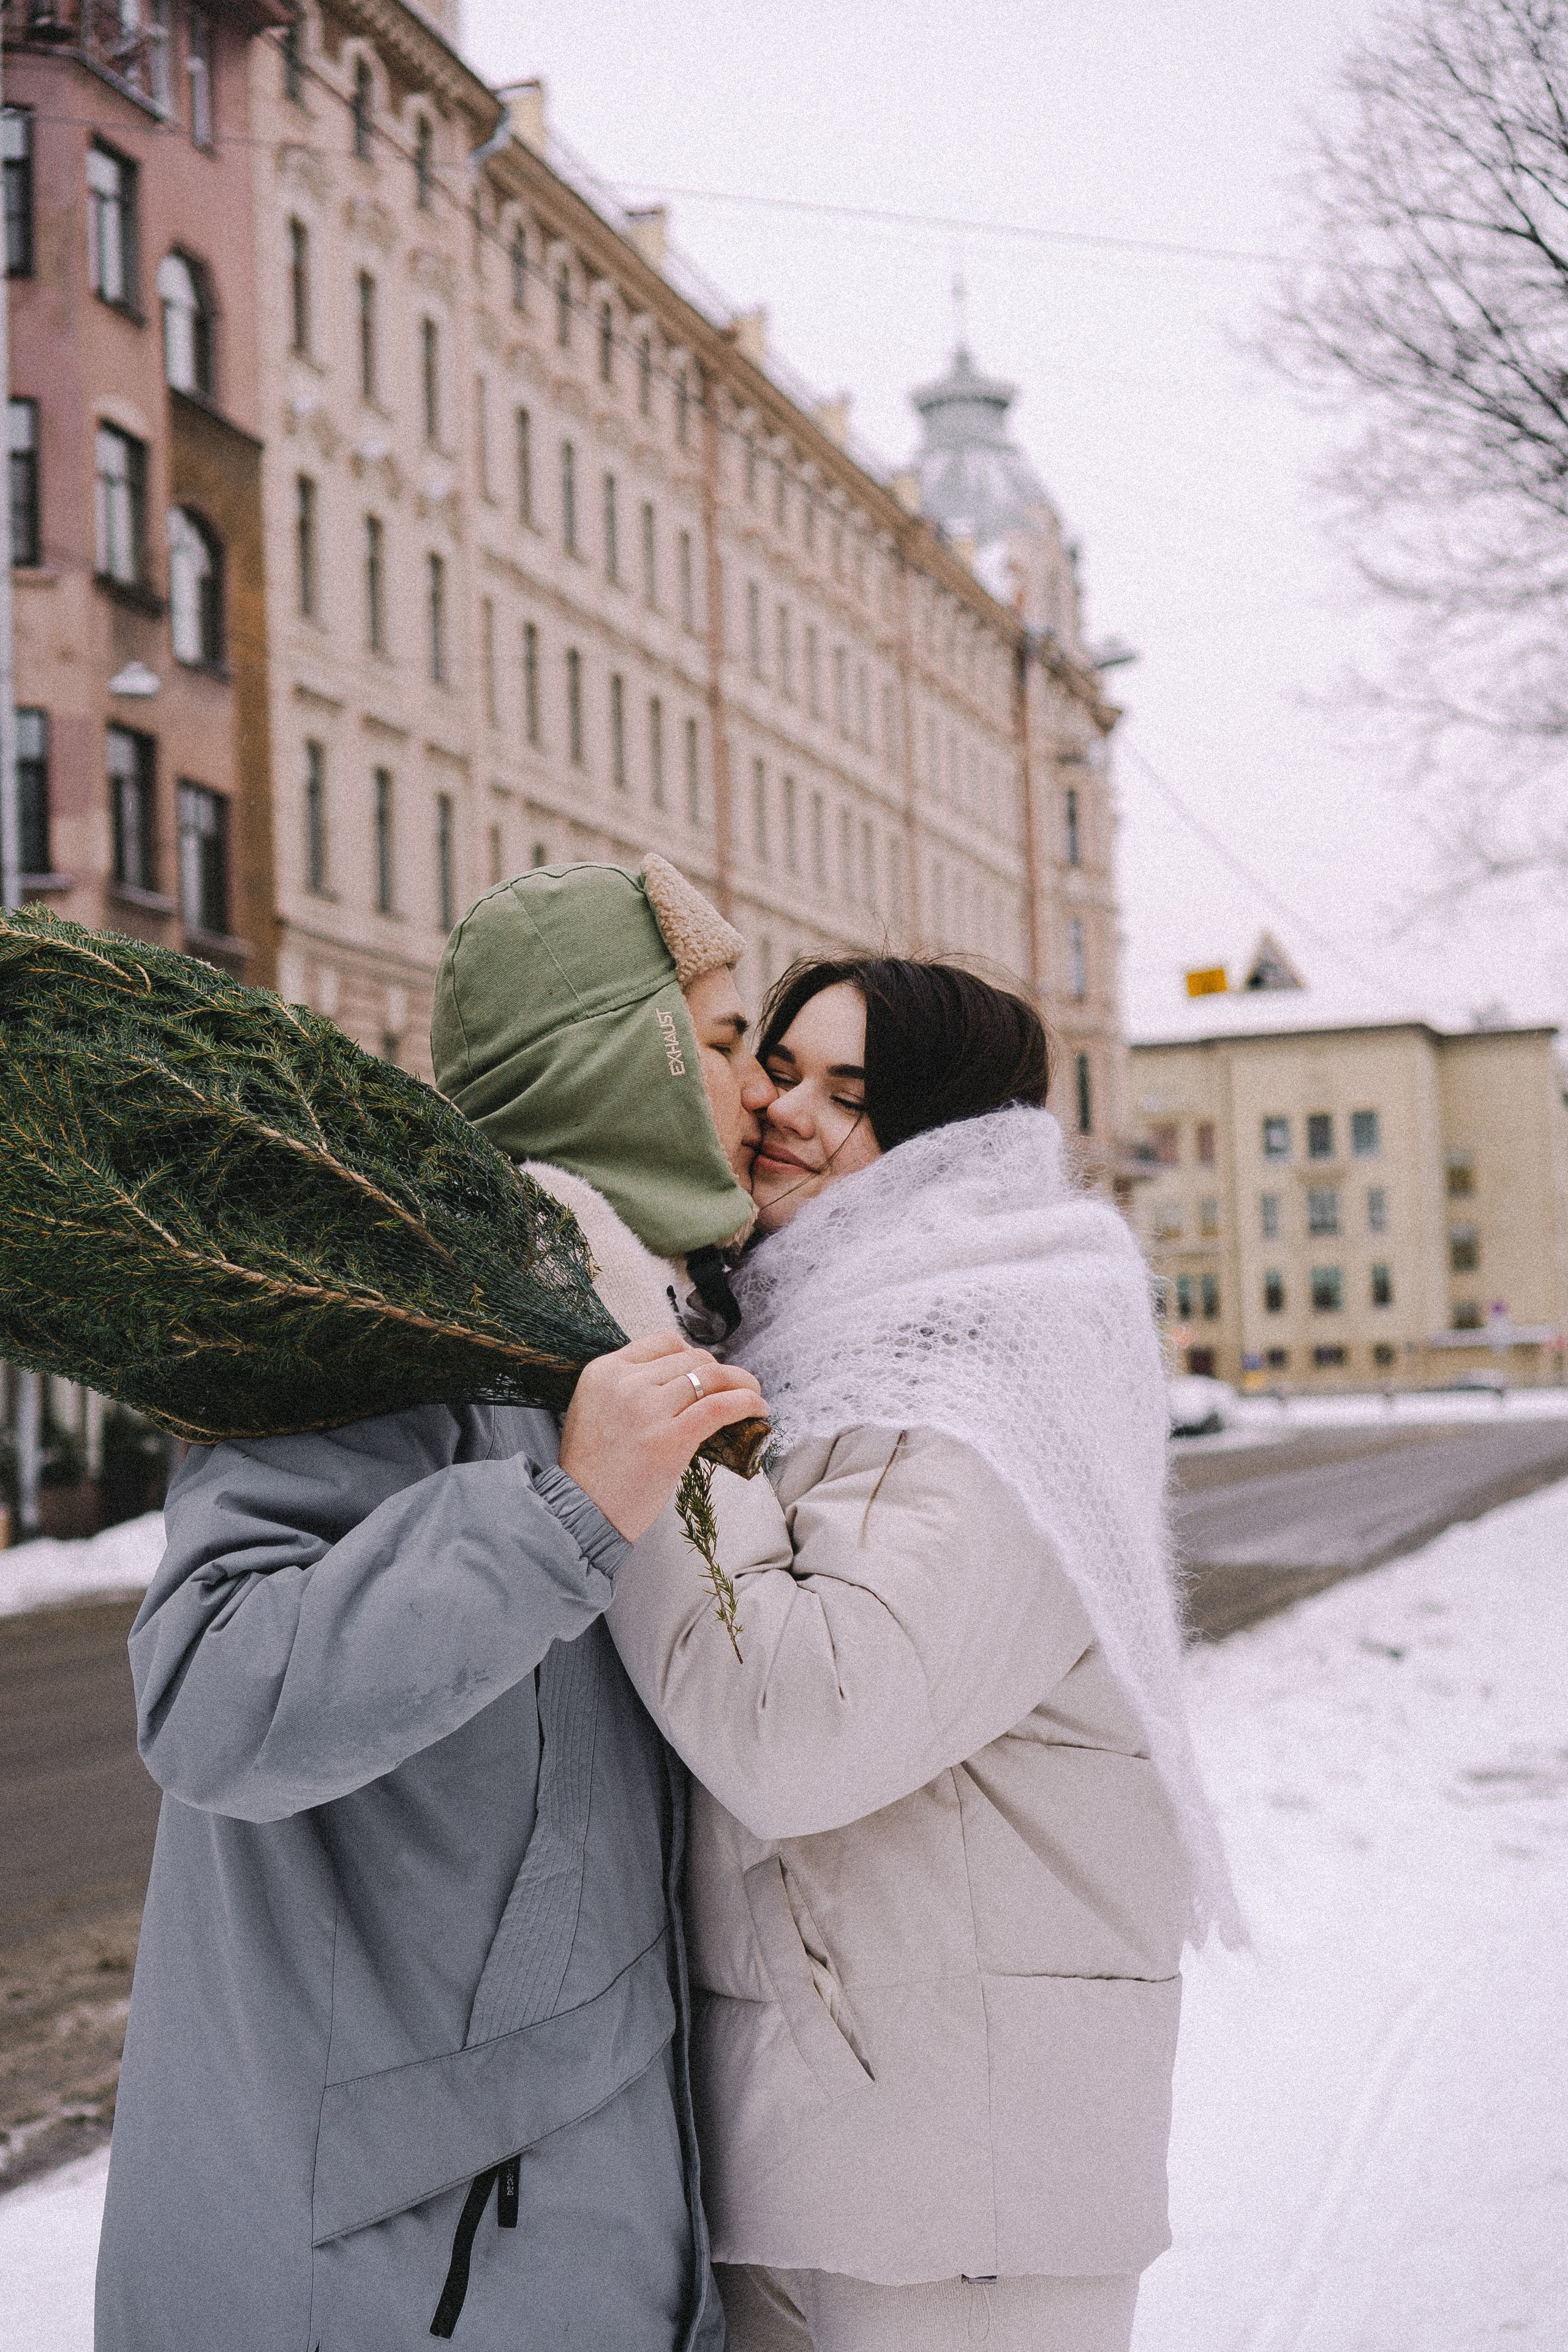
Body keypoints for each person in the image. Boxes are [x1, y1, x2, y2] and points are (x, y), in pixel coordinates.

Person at [97, 858, 771, 2352]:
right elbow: (213, 1701)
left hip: (557, 2228)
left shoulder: (620, 1329)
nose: (762, 1098)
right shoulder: (383, 1318)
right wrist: (557, 1516)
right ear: (617, 1061)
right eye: (722, 1044)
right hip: (391, 2264)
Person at [605, 955, 1241, 2352]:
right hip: (846, 2123)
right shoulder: (821, 1332)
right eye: (779, 1067)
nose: (786, 1113)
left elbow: (805, 1722)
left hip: (958, 2178)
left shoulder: (985, 1350)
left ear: (948, 1144)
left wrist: (636, 1422)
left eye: (855, 1095)